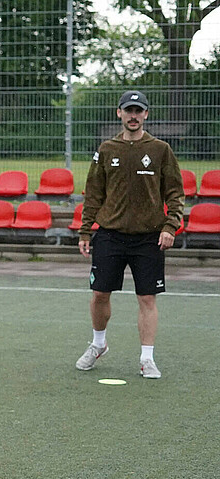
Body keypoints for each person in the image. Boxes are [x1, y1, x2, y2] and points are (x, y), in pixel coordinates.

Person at [75, 90, 184, 379]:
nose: (133, 116)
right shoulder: (107, 149)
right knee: (100, 294)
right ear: (119, 113)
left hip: (149, 237)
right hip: (110, 234)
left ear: (146, 114)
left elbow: (175, 193)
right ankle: (99, 344)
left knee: (147, 298)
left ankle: (147, 359)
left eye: (139, 111)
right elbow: (94, 193)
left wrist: (170, 226)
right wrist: (86, 230)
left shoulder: (161, 149)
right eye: (129, 110)